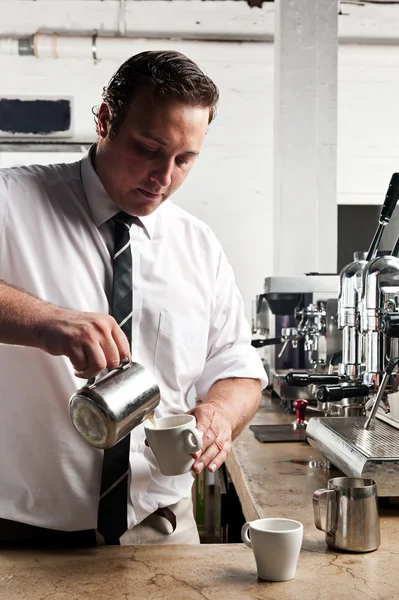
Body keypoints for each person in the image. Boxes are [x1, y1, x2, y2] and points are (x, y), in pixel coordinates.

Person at [0, 50, 267, 547]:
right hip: (22, 542)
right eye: (149, 149)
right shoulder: (11, 202)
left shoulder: (198, 244)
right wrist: (44, 322)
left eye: (184, 159)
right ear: (105, 120)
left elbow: (236, 364)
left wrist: (220, 415)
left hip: (165, 535)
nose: (164, 177)